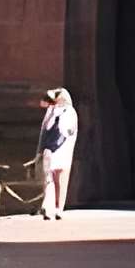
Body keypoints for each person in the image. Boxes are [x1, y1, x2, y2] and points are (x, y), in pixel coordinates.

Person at [34, 87, 78, 220]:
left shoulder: (70, 112)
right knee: (48, 179)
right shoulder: (51, 112)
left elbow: (69, 132)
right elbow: (44, 131)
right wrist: (40, 150)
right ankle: (48, 207)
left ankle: (59, 208)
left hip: (63, 150)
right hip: (49, 152)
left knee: (60, 180)